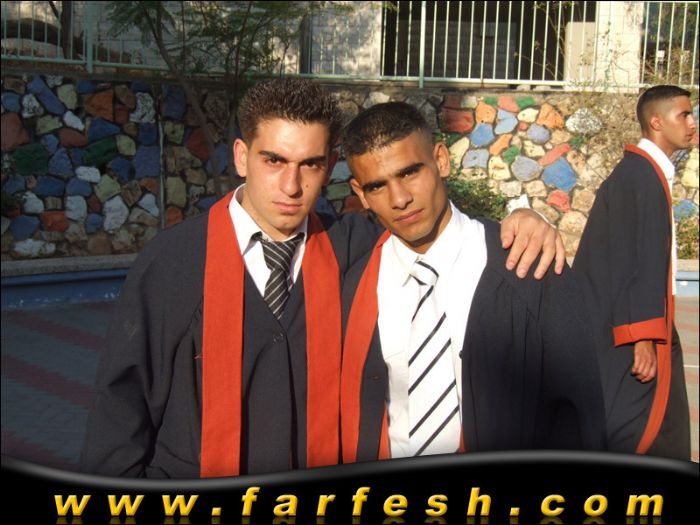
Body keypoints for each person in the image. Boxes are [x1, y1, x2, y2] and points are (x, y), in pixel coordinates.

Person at [81, 79, 564, 478]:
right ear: (242, 157)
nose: (291, 186)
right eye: (274, 161)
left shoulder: (348, 247)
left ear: (329, 167)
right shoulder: (173, 263)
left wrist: (522, 222)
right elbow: (120, 413)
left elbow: (427, 226)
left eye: (309, 164)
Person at [339, 102, 607, 463]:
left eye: (410, 172)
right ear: (360, 193)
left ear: (441, 160)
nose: (399, 199)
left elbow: (579, 413)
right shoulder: (353, 287)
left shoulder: (528, 267)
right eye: (377, 186)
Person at [573, 85, 695, 459]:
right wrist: (642, 336)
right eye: (683, 115)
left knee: (663, 421)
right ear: (656, 122)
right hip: (634, 329)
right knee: (638, 424)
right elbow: (633, 258)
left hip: (644, 320)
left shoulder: (644, 172)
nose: (692, 123)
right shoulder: (640, 176)